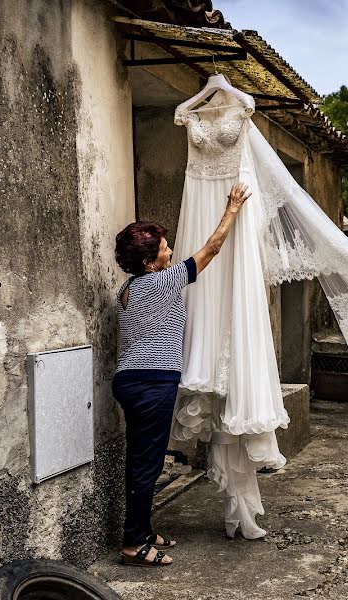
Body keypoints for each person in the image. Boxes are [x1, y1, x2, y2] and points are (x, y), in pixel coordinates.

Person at [111, 182, 251, 567]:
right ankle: (133, 544)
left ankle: (142, 529)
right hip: (151, 383)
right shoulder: (161, 281)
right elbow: (212, 250)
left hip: (132, 381)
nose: (170, 251)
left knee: (143, 459)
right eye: (163, 248)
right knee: (147, 464)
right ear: (149, 261)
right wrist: (232, 209)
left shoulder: (128, 288)